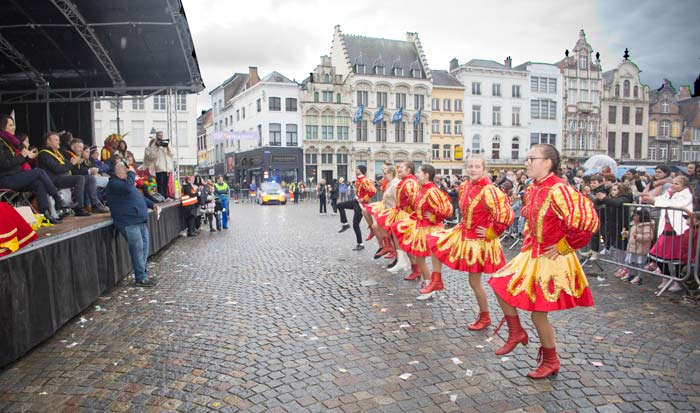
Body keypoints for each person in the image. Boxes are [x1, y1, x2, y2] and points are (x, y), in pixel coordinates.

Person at [488, 144, 599, 379]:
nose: (527, 162)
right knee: (498, 284)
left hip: (550, 259)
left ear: (547, 163)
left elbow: (587, 222)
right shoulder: (533, 188)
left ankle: (551, 360)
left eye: (532, 158)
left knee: (538, 314)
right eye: (527, 158)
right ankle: (516, 331)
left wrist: (564, 246)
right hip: (532, 254)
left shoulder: (559, 189)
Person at [427, 155, 514, 329]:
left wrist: (492, 232)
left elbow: (505, 215)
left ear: (484, 169)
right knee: (435, 240)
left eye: (477, 166)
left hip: (479, 241)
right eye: (470, 166)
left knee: (475, 282)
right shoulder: (466, 185)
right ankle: (436, 278)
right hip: (465, 233)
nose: (473, 169)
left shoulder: (489, 190)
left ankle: (486, 317)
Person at [394, 164, 453, 299]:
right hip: (421, 227)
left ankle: (431, 286)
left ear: (427, 175)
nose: (417, 175)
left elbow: (447, 210)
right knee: (419, 258)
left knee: (431, 260)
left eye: (419, 172)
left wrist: (434, 217)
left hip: (431, 229)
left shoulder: (432, 191)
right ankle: (428, 284)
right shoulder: (422, 189)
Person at [0, 118, 67, 224]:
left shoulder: (10, 142)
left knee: (38, 183)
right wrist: (22, 156)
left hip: (14, 176)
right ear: (3, 126)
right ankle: (58, 199)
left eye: (13, 125)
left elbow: (16, 163)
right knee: (39, 172)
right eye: (11, 125)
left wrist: (26, 157)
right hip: (5, 179)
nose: (14, 128)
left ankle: (45, 214)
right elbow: (4, 164)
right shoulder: (1, 142)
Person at [105, 162, 159, 287]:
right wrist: (131, 174)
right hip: (128, 222)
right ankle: (140, 278)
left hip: (138, 220)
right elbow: (128, 189)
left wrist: (152, 204)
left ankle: (143, 274)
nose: (129, 173)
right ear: (119, 171)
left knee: (144, 248)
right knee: (138, 249)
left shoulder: (126, 183)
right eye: (126, 171)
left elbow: (139, 198)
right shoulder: (114, 183)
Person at [642, 175, 693, 292]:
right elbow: (661, 199)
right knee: (657, 254)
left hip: (678, 230)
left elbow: (676, 204)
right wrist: (650, 198)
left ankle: (677, 281)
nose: (673, 186)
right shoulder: (670, 193)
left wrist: (655, 200)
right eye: (673, 183)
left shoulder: (686, 195)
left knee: (676, 258)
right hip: (666, 227)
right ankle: (666, 277)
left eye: (677, 184)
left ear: (684, 186)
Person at [376, 161, 420, 274]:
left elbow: (415, 201)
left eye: (401, 167)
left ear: (409, 170)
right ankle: (409, 266)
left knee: (408, 244)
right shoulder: (404, 181)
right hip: (400, 213)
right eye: (398, 167)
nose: (398, 169)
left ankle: (412, 267)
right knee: (402, 242)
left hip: (406, 215)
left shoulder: (409, 182)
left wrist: (413, 214)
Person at [37, 131, 91, 216]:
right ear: (48, 141)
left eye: (58, 140)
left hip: (61, 178)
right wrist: (72, 164)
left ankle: (92, 204)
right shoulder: (44, 154)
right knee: (80, 178)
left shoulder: (58, 153)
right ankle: (79, 208)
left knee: (88, 178)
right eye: (56, 140)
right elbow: (57, 168)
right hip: (53, 180)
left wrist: (72, 163)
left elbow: (65, 165)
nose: (59, 142)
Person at [337, 165, 377, 251]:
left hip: (360, 205)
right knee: (340, 205)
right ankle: (345, 224)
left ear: (361, 170)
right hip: (356, 202)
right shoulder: (359, 179)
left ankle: (360, 244)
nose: (355, 170)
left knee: (356, 224)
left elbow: (373, 190)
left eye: (357, 169)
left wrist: (364, 199)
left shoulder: (365, 180)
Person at [365, 166, 400, 261]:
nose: (383, 176)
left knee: (377, 226)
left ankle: (391, 249)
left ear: (392, 173)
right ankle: (386, 245)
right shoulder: (390, 183)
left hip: (393, 211)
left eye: (385, 174)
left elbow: (398, 200)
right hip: (387, 209)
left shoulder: (395, 184)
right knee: (373, 223)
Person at [66, 138, 109, 213]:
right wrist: (88, 170)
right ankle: (80, 207)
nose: (81, 150)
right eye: (79, 147)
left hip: (80, 177)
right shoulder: (68, 155)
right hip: (67, 178)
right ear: (73, 147)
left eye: (82, 148)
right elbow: (74, 171)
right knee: (84, 178)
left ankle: (95, 204)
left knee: (90, 178)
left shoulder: (80, 157)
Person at [619, 208, 654, 284]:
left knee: (640, 263)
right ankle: (630, 273)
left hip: (640, 249)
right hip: (632, 248)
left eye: (636, 215)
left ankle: (639, 277)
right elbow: (632, 235)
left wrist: (638, 237)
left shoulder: (646, 226)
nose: (634, 217)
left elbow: (648, 237)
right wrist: (627, 234)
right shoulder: (634, 225)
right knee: (628, 261)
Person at [144, 131, 174, 198]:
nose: (160, 137)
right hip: (158, 168)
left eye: (161, 135)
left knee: (165, 184)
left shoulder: (165, 145)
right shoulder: (152, 147)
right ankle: (161, 197)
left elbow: (172, 154)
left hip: (166, 168)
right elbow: (152, 156)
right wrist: (156, 146)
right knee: (159, 184)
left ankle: (165, 197)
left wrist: (167, 146)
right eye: (159, 136)